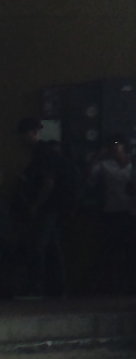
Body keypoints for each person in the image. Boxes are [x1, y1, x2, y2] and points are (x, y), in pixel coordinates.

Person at [12, 117, 69, 299]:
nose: (21, 139)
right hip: (55, 206)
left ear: (32, 133)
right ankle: (57, 289)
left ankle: (37, 288)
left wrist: (36, 205)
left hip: (46, 207)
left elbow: (48, 183)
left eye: (23, 134)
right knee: (52, 246)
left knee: (37, 246)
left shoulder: (41, 153)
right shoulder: (46, 152)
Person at [87, 135, 136, 293]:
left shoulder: (135, 163)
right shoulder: (105, 165)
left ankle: (131, 283)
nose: (116, 148)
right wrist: (97, 156)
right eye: (112, 145)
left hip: (132, 211)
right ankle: (114, 284)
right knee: (112, 249)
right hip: (112, 210)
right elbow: (90, 178)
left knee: (131, 249)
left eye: (118, 144)